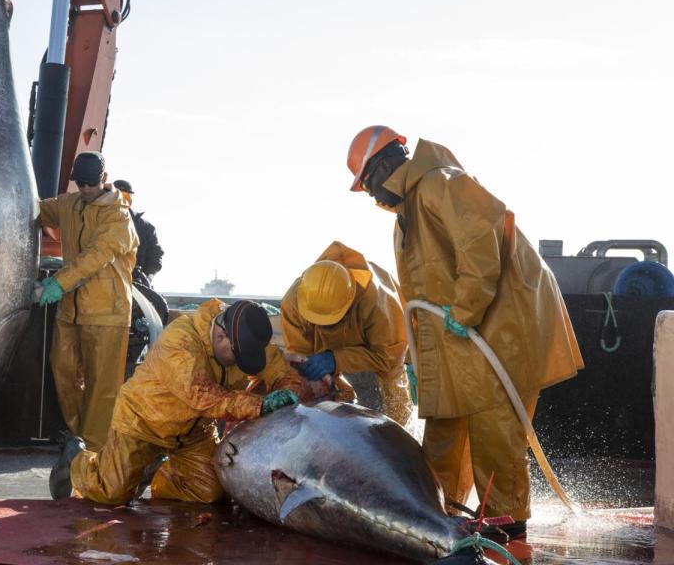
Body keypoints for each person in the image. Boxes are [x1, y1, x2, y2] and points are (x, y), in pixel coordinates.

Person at [346, 125, 583, 540]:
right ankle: (439, 511)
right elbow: (417, 297)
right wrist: (417, 362)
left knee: (493, 425)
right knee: (443, 428)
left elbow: (480, 244)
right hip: (455, 340)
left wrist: (465, 310)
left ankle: (506, 521)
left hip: (498, 330)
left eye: (366, 184)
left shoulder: (441, 183)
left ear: (383, 165)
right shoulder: (406, 218)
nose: (370, 195)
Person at [49, 299, 304, 504]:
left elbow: (281, 371)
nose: (243, 365)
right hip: (144, 422)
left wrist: (288, 394)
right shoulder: (181, 340)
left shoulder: (244, 342)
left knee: (210, 492)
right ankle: (76, 460)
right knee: (112, 493)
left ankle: (156, 472)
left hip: (194, 433)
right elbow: (200, 395)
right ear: (220, 337)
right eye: (239, 359)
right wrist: (260, 405)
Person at [34, 152, 139, 451]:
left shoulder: (119, 216)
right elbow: (36, 209)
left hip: (108, 313)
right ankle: (78, 438)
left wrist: (59, 283)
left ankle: (93, 450)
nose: (85, 189)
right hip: (70, 310)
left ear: (104, 179)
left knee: (102, 387)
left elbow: (96, 255)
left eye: (90, 183)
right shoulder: (68, 204)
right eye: (80, 183)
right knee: (63, 371)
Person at [280, 242, 412, 426]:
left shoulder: (379, 304)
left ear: (350, 302)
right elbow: (300, 356)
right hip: (325, 350)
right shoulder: (293, 303)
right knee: (312, 380)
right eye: (317, 320)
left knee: (393, 391)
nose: (324, 326)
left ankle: (401, 429)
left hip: (380, 345)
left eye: (330, 321)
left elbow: (389, 360)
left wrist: (336, 359)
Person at [112, 180, 164, 285]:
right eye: (116, 195)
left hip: (136, 285)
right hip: (103, 286)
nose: (121, 199)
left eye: (125, 196)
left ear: (131, 197)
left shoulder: (147, 228)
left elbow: (156, 255)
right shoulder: (96, 222)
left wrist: (147, 277)